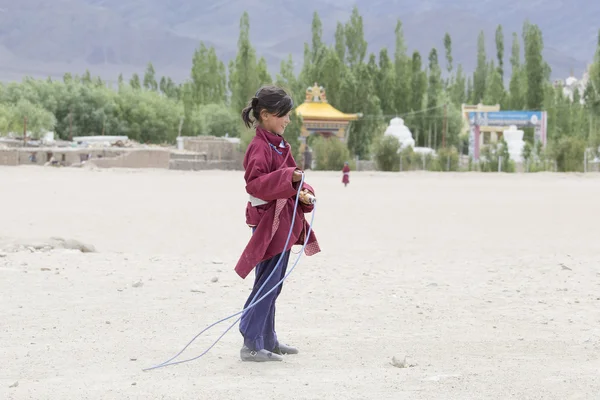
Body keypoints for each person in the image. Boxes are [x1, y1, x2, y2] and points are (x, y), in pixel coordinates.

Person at [235, 85, 321, 362]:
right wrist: (289, 180)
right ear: (266, 115)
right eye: (284, 114)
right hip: (266, 224)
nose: (287, 120)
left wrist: (303, 190)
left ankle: (268, 340)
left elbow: (294, 175)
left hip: (283, 220)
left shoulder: (279, 144)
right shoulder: (259, 147)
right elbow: (256, 184)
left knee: (275, 281)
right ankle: (250, 340)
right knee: (268, 282)